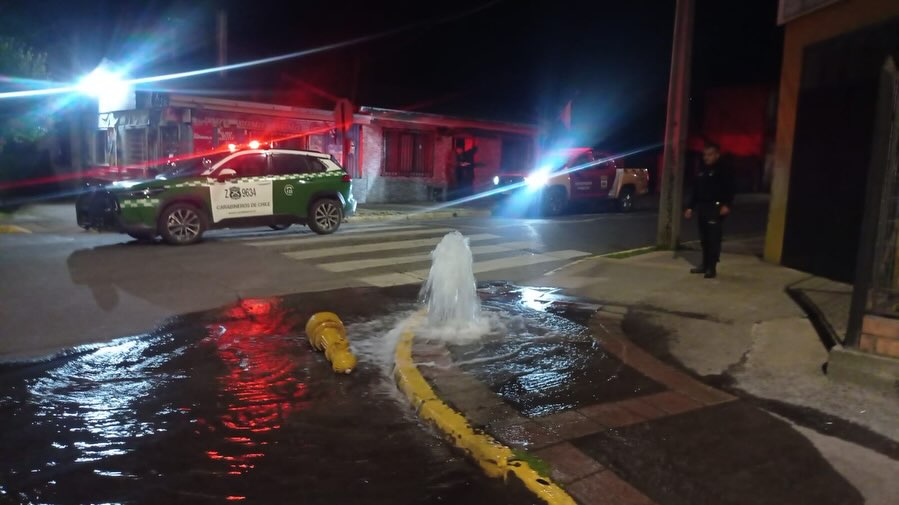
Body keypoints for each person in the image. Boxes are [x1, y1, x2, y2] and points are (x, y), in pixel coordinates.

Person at [684, 142, 735, 279]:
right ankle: (704, 264)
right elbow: (696, 190)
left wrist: (727, 205)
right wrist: (690, 207)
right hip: (702, 207)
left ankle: (711, 267)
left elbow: (730, 189)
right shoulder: (702, 170)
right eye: (705, 155)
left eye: (710, 155)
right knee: (704, 238)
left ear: (717, 155)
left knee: (713, 239)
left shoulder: (723, 170)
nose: (706, 157)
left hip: (715, 207)